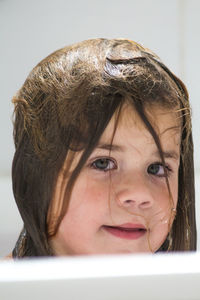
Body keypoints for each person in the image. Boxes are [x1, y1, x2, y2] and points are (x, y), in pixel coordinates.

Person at [11, 38, 196, 257]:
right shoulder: (10, 289)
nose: (139, 193)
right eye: (103, 163)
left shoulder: (182, 289)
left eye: (157, 168)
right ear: (34, 177)